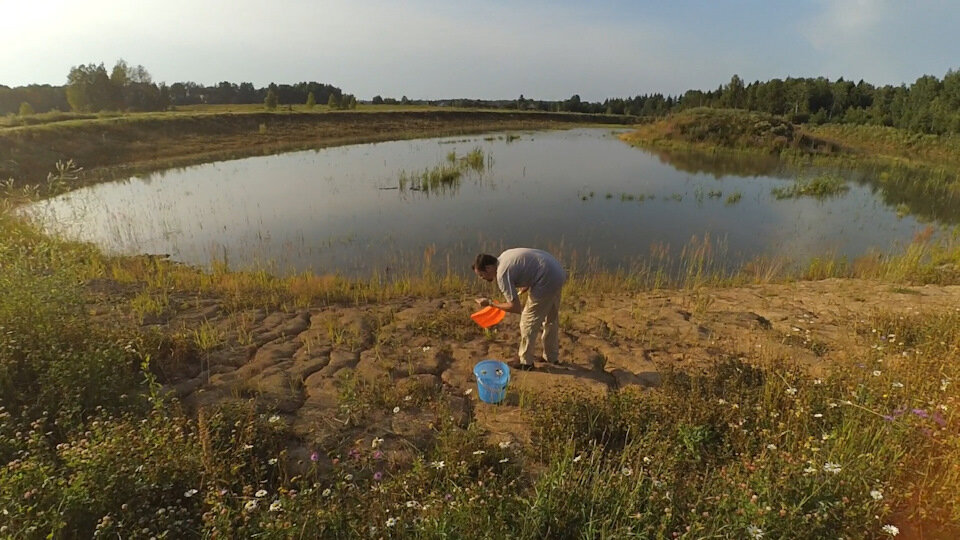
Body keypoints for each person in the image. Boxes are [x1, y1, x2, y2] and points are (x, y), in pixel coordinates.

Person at [472, 248, 566, 370]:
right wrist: (527, 285)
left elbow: (515, 307)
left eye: (481, 275)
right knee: (551, 318)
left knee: (527, 321)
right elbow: (529, 265)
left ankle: (526, 362)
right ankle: (551, 356)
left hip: (546, 279)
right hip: (557, 272)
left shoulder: (502, 274)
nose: (482, 278)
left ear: (489, 268)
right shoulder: (504, 256)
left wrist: (490, 304)